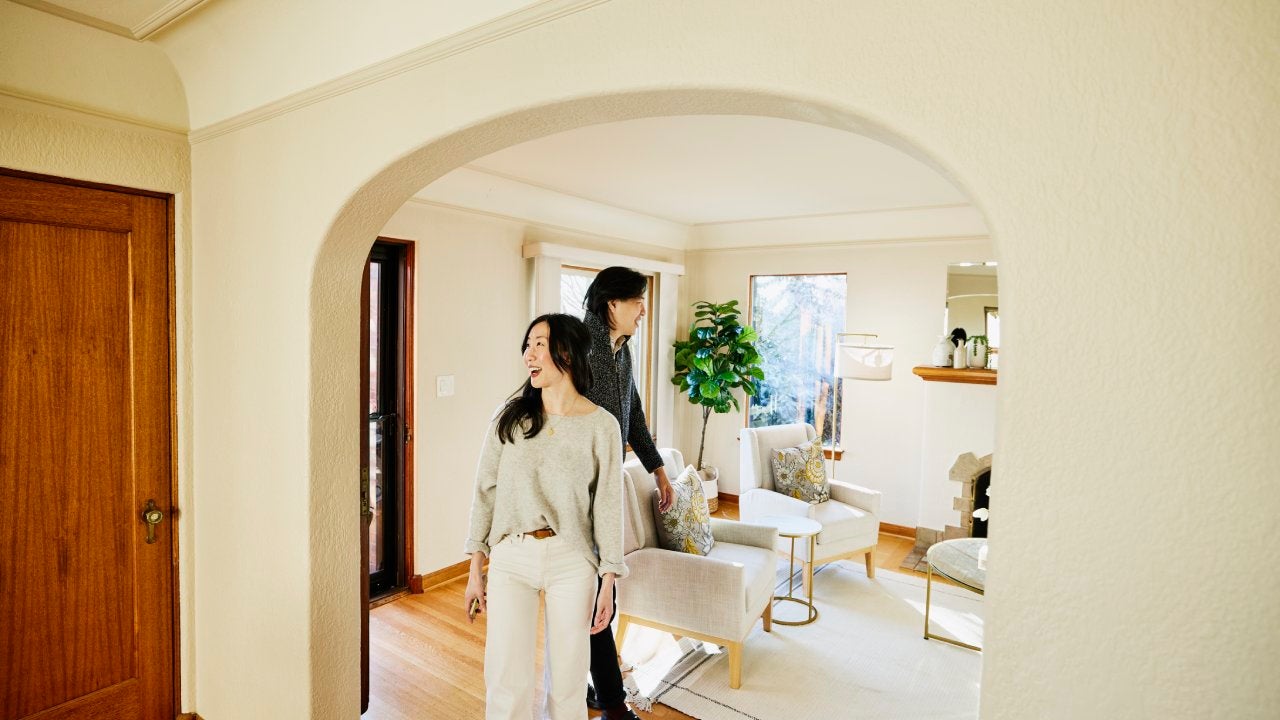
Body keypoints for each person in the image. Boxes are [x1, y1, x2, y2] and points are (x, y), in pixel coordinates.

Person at [463, 313, 627, 720]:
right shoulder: (511, 416)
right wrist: (475, 567)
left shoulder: (601, 426)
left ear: (566, 353)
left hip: (572, 560)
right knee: (505, 678)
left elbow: (607, 505)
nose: (528, 355)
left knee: (569, 681)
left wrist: (608, 580)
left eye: (539, 344)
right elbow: (485, 490)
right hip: (512, 556)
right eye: (527, 345)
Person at [580, 266, 673, 719]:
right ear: (611, 304)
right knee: (598, 591)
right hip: (579, 490)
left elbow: (631, 411)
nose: (642, 310)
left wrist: (658, 471)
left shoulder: (622, 350)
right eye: (637, 301)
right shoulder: (579, 346)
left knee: (601, 590)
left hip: (606, 485)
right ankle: (613, 702)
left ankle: (599, 687)